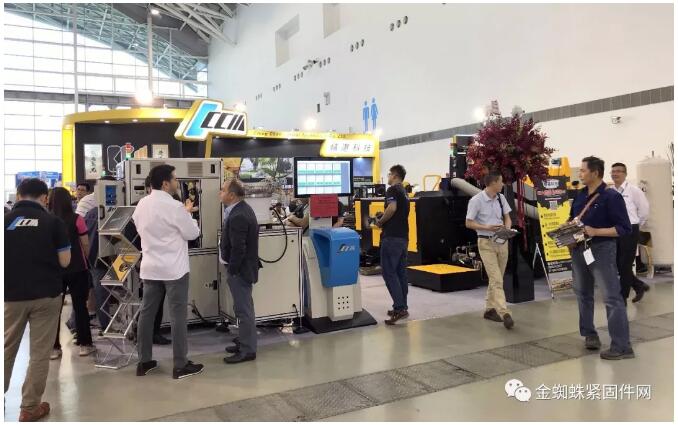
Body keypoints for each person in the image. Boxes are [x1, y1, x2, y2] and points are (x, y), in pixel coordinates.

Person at [5, 178, 71, 422]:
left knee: (7, 348)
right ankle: (30, 407)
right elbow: (65, 260)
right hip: (46, 294)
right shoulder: (53, 222)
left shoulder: (4, 221)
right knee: (40, 352)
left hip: (11, 295)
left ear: (18, 196)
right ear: (45, 198)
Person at [132, 164, 203, 379]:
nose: (176, 182)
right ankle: (180, 365)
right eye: (174, 179)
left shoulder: (142, 204)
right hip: (174, 270)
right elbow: (192, 233)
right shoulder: (175, 206)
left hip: (150, 268)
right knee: (177, 316)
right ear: (165, 183)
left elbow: (140, 228)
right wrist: (188, 215)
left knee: (146, 314)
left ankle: (144, 362)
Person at [569, 156, 634, 360]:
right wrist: (566, 231)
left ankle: (622, 346)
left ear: (595, 173)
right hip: (579, 249)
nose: (580, 174)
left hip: (602, 250)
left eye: (583, 170)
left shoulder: (611, 197)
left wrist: (596, 231)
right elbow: (573, 219)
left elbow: (624, 228)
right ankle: (589, 334)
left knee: (611, 297)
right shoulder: (580, 195)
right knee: (582, 293)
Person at [48, 188, 96, 359]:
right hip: (77, 268)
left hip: (54, 271)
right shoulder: (77, 219)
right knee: (80, 307)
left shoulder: (47, 220)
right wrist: (87, 259)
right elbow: (85, 244)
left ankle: (54, 348)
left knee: (54, 309)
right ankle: (85, 345)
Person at [465, 172, 514, 330]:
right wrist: (487, 227)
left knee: (496, 278)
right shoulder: (476, 200)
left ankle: (489, 309)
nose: (502, 184)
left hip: (502, 241)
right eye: (501, 181)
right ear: (493, 183)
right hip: (486, 242)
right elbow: (468, 223)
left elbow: (507, 217)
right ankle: (504, 313)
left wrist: (507, 229)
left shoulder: (501, 198)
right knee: (497, 279)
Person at [220, 180, 260, 364]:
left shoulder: (239, 215)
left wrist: (233, 270)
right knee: (242, 308)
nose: (220, 193)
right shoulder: (240, 210)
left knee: (244, 311)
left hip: (240, 271)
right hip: (241, 269)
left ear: (232, 195)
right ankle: (244, 342)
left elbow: (239, 248)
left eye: (223, 190)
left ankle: (247, 350)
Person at [132, 175, 170, 345]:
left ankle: (146, 332)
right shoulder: (142, 206)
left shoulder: (139, 206)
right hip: (151, 260)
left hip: (147, 259)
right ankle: (149, 333)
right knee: (153, 300)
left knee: (150, 300)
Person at [610, 162, 651, 304]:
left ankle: (623, 297)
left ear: (625, 174)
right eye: (613, 171)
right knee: (618, 264)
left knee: (625, 264)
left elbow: (644, 210)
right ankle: (639, 285)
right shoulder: (610, 192)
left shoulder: (634, 190)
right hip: (615, 230)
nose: (615, 174)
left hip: (630, 230)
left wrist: (636, 225)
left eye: (618, 171)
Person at [375, 164, 410, 325]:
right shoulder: (404, 191)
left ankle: (399, 308)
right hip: (403, 237)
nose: (388, 177)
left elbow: (392, 208)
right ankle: (402, 306)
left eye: (389, 174)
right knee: (400, 273)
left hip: (391, 237)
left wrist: (380, 221)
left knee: (388, 272)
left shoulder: (392, 190)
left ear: (395, 176)